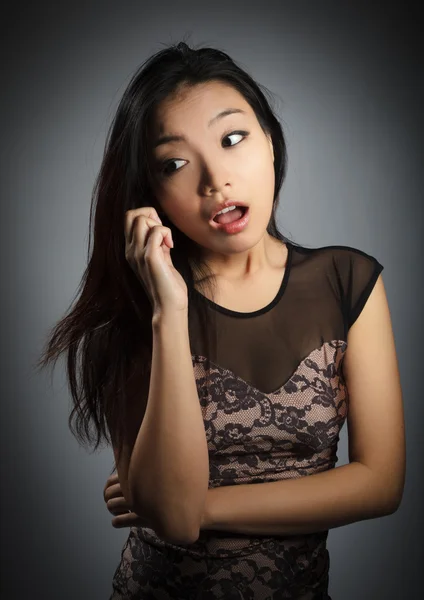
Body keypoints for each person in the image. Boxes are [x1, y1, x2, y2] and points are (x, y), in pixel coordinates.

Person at [36, 40, 405, 599]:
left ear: (271, 145)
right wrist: (168, 309)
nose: (215, 180)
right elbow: (174, 524)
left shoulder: (347, 281)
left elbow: (380, 484)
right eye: (175, 164)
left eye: (233, 139)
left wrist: (201, 504)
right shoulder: (136, 311)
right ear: (151, 194)